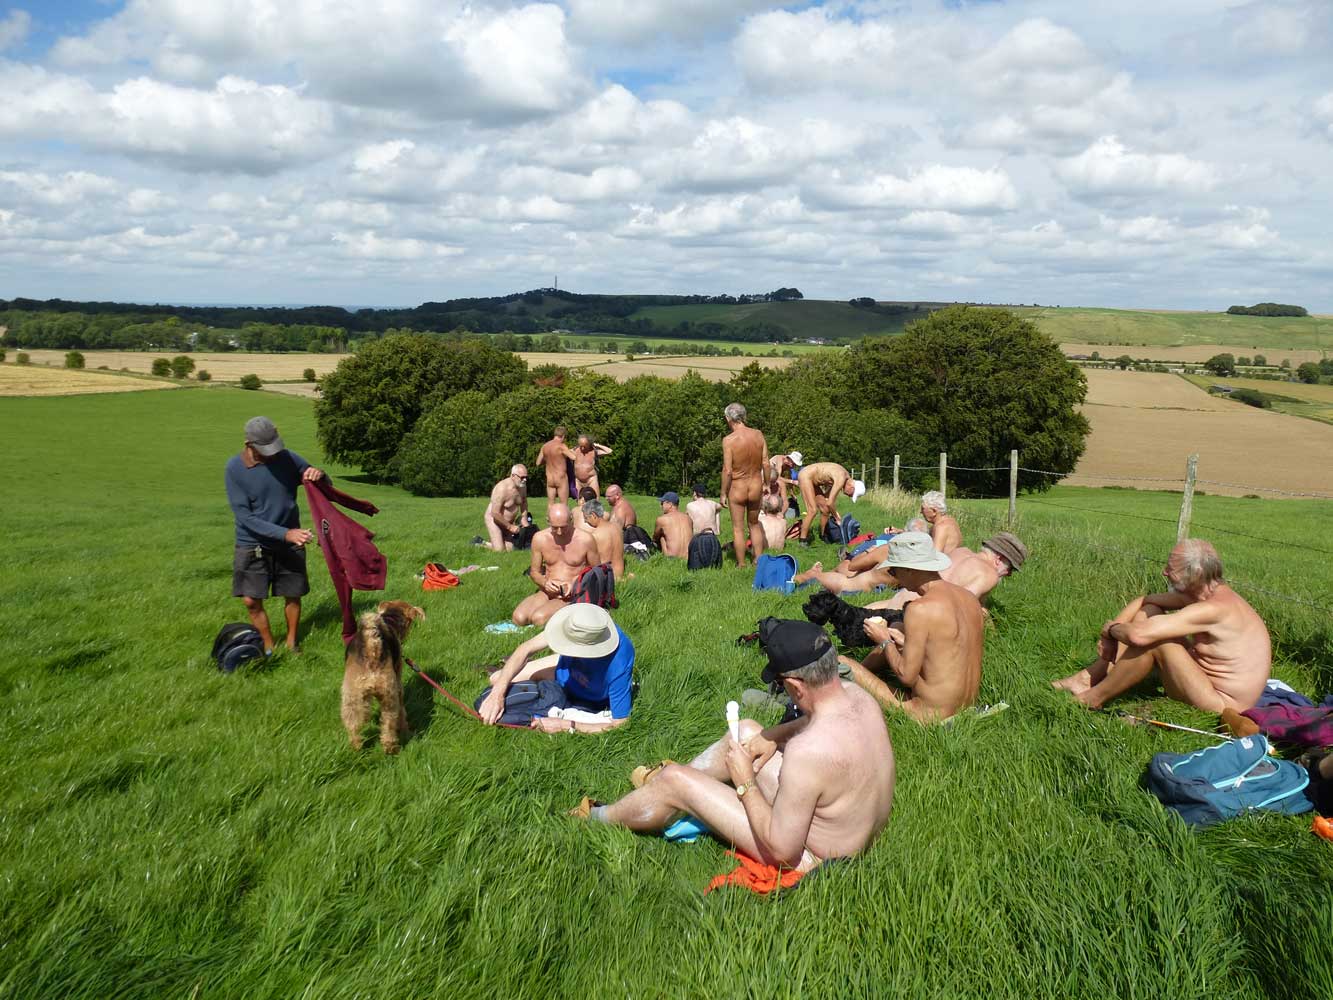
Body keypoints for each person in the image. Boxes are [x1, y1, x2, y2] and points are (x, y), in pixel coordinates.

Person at [572, 620, 895, 874]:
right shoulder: (858, 697)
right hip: (850, 831)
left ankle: (597, 816)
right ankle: (663, 793)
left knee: (675, 780)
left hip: (811, 857)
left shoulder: (807, 752)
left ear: (795, 685)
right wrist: (772, 735)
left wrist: (745, 783)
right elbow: (811, 723)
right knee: (747, 732)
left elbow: (782, 850)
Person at [1052, 539, 1271, 713]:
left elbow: (1139, 636)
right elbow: (1145, 601)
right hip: (1205, 681)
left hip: (1223, 704)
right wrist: (1108, 640)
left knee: (1156, 641)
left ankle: (1092, 698)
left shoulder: (1213, 609)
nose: (1164, 572)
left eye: (1171, 568)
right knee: (1150, 612)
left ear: (1195, 574)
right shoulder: (1204, 594)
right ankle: (1090, 677)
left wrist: (1110, 630)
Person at [840, 532, 983, 722]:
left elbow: (906, 676)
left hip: (927, 716)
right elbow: (950, 650)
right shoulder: (969, 598)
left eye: (893, 571)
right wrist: (900, 641)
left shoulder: (920, 609)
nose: (894, 578)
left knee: (841, 662)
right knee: (898, 628)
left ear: (909, 570)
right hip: (967, 706)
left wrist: (884, 640)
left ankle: (858, 674)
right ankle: (864, 672)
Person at [225, 416, 326, 653]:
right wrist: (285, 534)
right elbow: (245, 517)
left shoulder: (288, 458)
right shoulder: (234, 468)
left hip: (290, 542)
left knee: (293, 593)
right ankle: (269, 647)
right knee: (251, 600)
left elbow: (321, 484)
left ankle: (291, 643)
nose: (272, 454)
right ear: (248, 444)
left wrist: (319, 475)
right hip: (253, 543)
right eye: (265, 449)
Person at [479, 604, 634, 733]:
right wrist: (497, 694)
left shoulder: (619, 662)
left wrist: (566, 725)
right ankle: (526, 667)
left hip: (589, 697)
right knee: (496, 679)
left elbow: (620, 722)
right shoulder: (575, 623)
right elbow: (526, 648)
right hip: (561, 670)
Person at [863, 531, 1028, 611]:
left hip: (905, 595)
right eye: (1010, 568)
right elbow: (959, 604)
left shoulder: (961, 551)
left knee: (867, 615)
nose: (1009, 574)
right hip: (921, 611)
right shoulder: (989, 574)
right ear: (999, 559)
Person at [513, 504, 600, 627]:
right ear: (548, 521)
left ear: (571, 520)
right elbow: (534, 572)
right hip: (548, 590)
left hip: (573, 594)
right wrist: (545, 583)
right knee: (519, 618)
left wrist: (575, 585)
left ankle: (574, 609)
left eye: (564, 527)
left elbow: (598, 572)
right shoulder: (540, 538)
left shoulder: (586, 539)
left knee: (539, 619)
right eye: (555, 528)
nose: (559, 532)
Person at [720, 402, 771, 567]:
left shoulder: (728, 440)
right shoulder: (758, 435)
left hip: (738, 487)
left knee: (738, 528)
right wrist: (767, 484)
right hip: (755, 485)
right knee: (754, 524)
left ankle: (741, 564)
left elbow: (727, 470)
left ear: (728, 418)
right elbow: (766, 463)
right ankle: (758, 560)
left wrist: (723, 493)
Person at [795, 462, 865, 546]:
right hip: (806, 475)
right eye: (851, 494)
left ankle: (823, 535)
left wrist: (832, 510)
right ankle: (803, 541)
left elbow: (827, 499)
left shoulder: (844, 478)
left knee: (825, 510)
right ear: (851, 487)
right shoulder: (841, 478)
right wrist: (837, 518)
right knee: (812, 510)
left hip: (813, 479)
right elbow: (830, 503)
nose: (849, 496)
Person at [832, 518, 929, 576]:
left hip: (868, 561)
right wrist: (899, 531)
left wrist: (868, 551)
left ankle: (851, 556)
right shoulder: (923, 549)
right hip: (890, 542)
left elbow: (852, 567)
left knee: (873, 545)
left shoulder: (888, 549)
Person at [483, 464, 529, 551]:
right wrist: (510, 527)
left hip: (509, 522)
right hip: (494, 520)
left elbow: (524, 502)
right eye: (522, 477)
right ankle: (480, 543)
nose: (525, 480)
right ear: (513, 476)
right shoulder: (501, 489)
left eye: (526, 477)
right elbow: (495, 513)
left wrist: (524, 518)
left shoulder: (523, 486)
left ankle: (495, 540)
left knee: (512, 548)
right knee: (500, 550)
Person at [583, 499, 628, 580]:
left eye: (586, 518)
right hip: (619, 575)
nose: (585, 521)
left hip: (605, 578)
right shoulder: (617, 528)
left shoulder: (594, 535)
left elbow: (590, 563)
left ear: (593, 515)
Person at [535, 426, 576, 505]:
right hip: (561, 478)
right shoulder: (561, 446)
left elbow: (538, 463)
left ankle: (550, 514)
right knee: (563, 504)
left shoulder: (545, 446)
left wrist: (548, 459)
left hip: (550, 478)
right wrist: (571, 451)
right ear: (563, 436)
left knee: (550, 503)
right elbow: (573, 457)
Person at [653, 491, 694, 559]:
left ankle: (666, 555)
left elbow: (655, 538)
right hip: (689, 557)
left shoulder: (662, 519)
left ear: (670, 504)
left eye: (662, 503)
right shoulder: (688, 518)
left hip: (671, 557)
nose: (661, 506)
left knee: (661, 535)